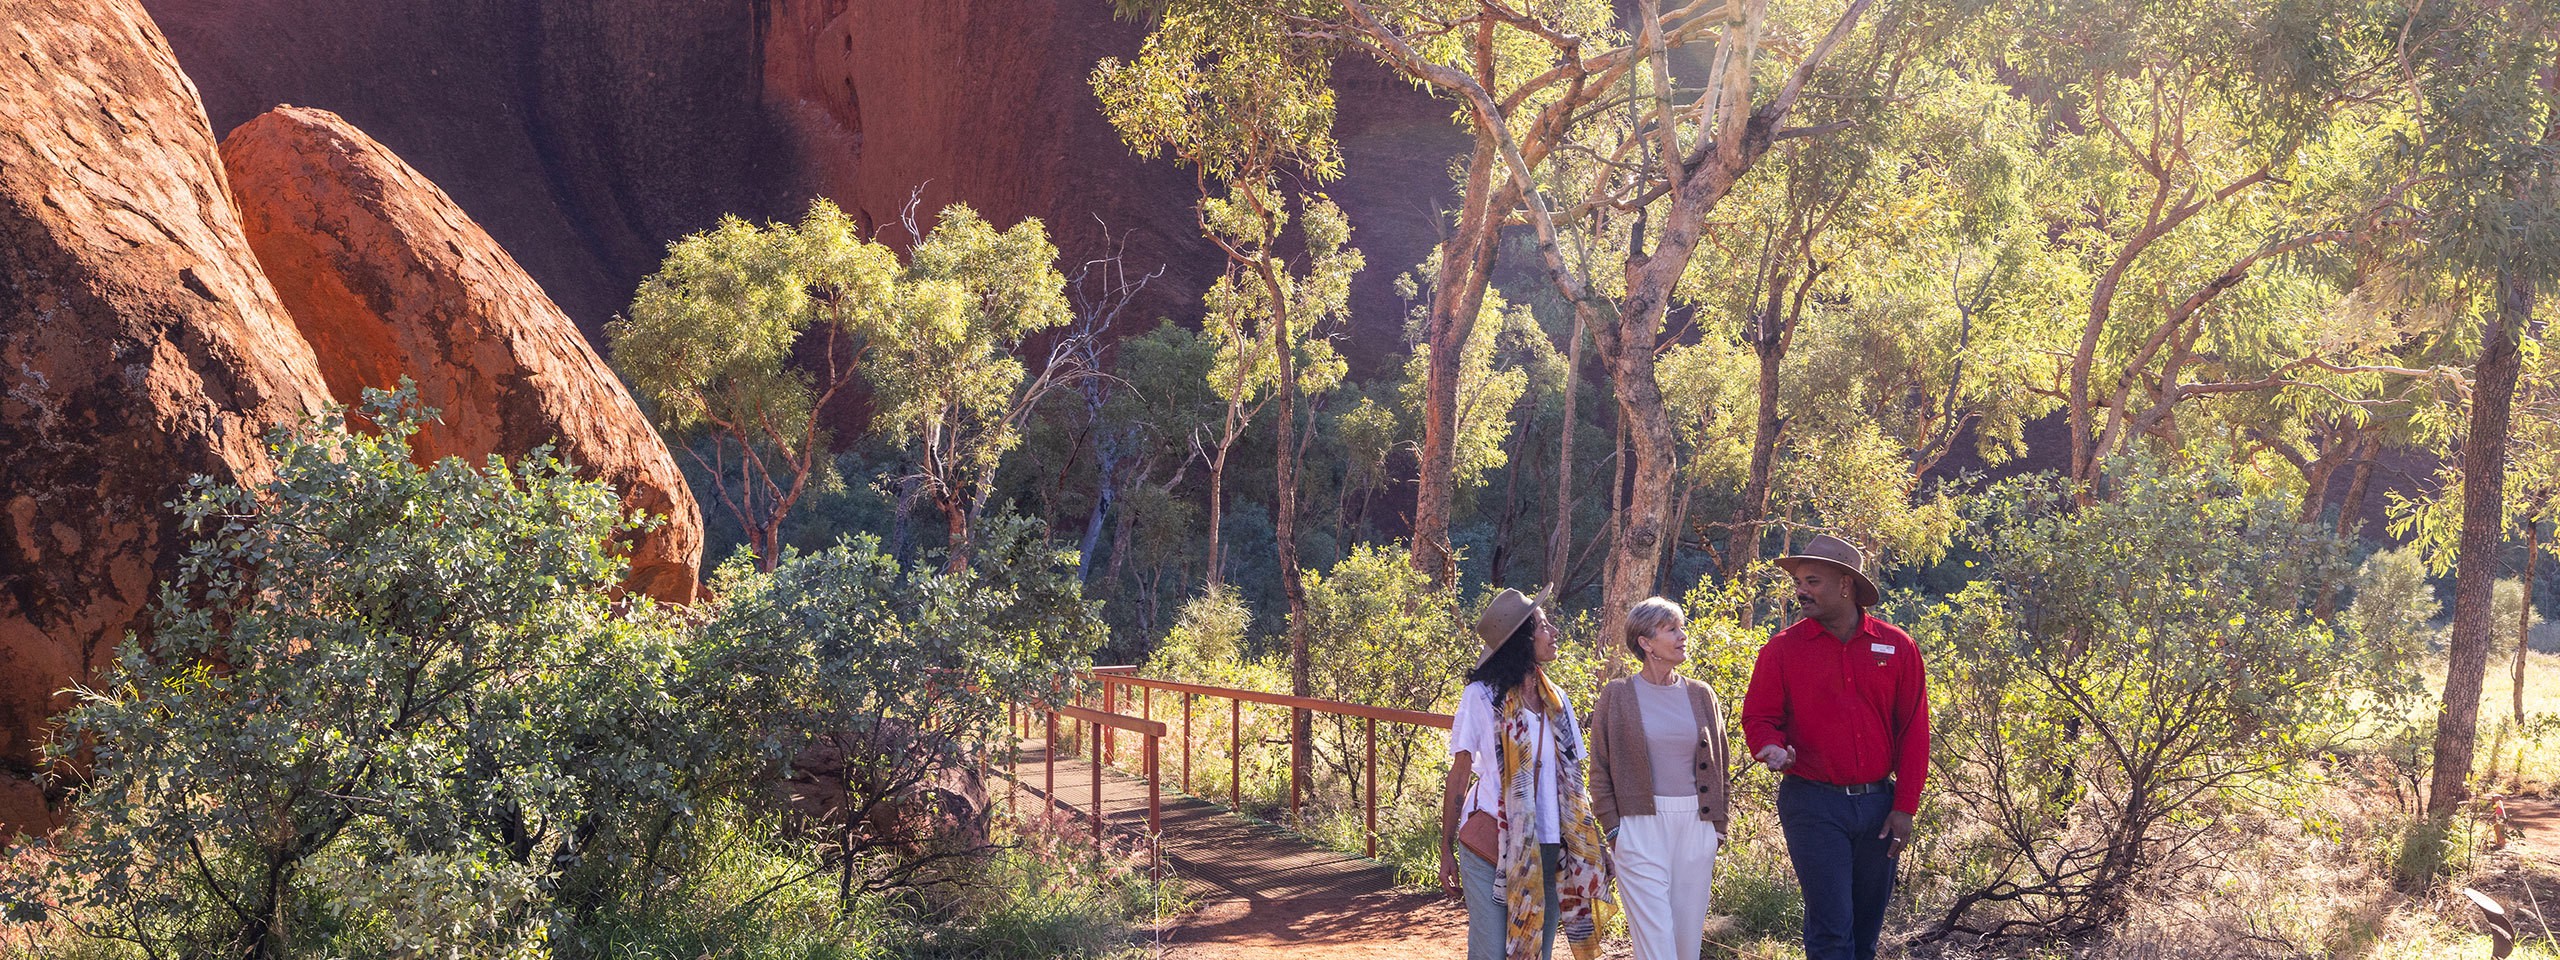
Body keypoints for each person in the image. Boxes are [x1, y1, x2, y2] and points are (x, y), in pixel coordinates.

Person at [1741, 535, 1930, 960]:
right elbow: (1759, 718)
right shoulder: (1782, 649)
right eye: (1799, 583)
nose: (1802, 591)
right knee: (1831, 929)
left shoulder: (1898, 646)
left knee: (1865, 933)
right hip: (1812, 803)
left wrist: (1905, 807)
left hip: (1879, 807)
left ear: (1846, 585)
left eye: (1813, 581)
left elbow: (1914, 731)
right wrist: (1770, 747)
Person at [1439, 586, 1612, 960]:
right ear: (1522, 639)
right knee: (1490, 952)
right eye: (1544, 626)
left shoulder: (1557, 700)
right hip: (1490, 845)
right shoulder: (1481, 696)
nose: (1554, 633)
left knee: (1537, 951)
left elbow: (1573, 780)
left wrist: (1593, 839)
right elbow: (1459, 774)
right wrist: (1445, 849)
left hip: (1550, 844)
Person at [1587, 597, 1731, 960]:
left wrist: (1718, 828)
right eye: (1672, 629)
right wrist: (1615, 830)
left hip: (1696, 828)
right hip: (1639, 828)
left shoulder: (1701, 694)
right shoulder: (1617, 695)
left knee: (1685, 946)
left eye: (1682, 627)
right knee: (1657, 946)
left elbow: (1721, 765)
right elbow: (1599, 769)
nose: (1683, 636)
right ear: (1646, 643)